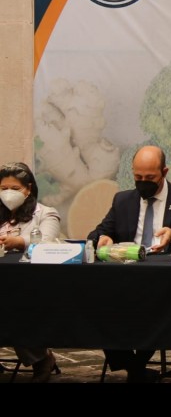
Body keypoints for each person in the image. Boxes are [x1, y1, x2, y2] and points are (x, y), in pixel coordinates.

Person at [87, 145, 171, 383]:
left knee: (160, 307)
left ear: (164, 172)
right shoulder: (123, 200)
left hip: (167, 284)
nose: (143, 182)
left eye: (150, 178)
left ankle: (135, 369)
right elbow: (98, 233)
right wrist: (102, 238)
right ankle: (134, 367)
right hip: (124, 281)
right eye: (138, 177)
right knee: (95, 301)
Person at [0, 161, 61, 382]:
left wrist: (19, 242)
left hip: (31, 284)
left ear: (28, 189)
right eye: (3, 188)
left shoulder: (45, 213)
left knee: (13, 307)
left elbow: (47, 240)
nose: (8, 193)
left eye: (14, 188)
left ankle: (41, 359)